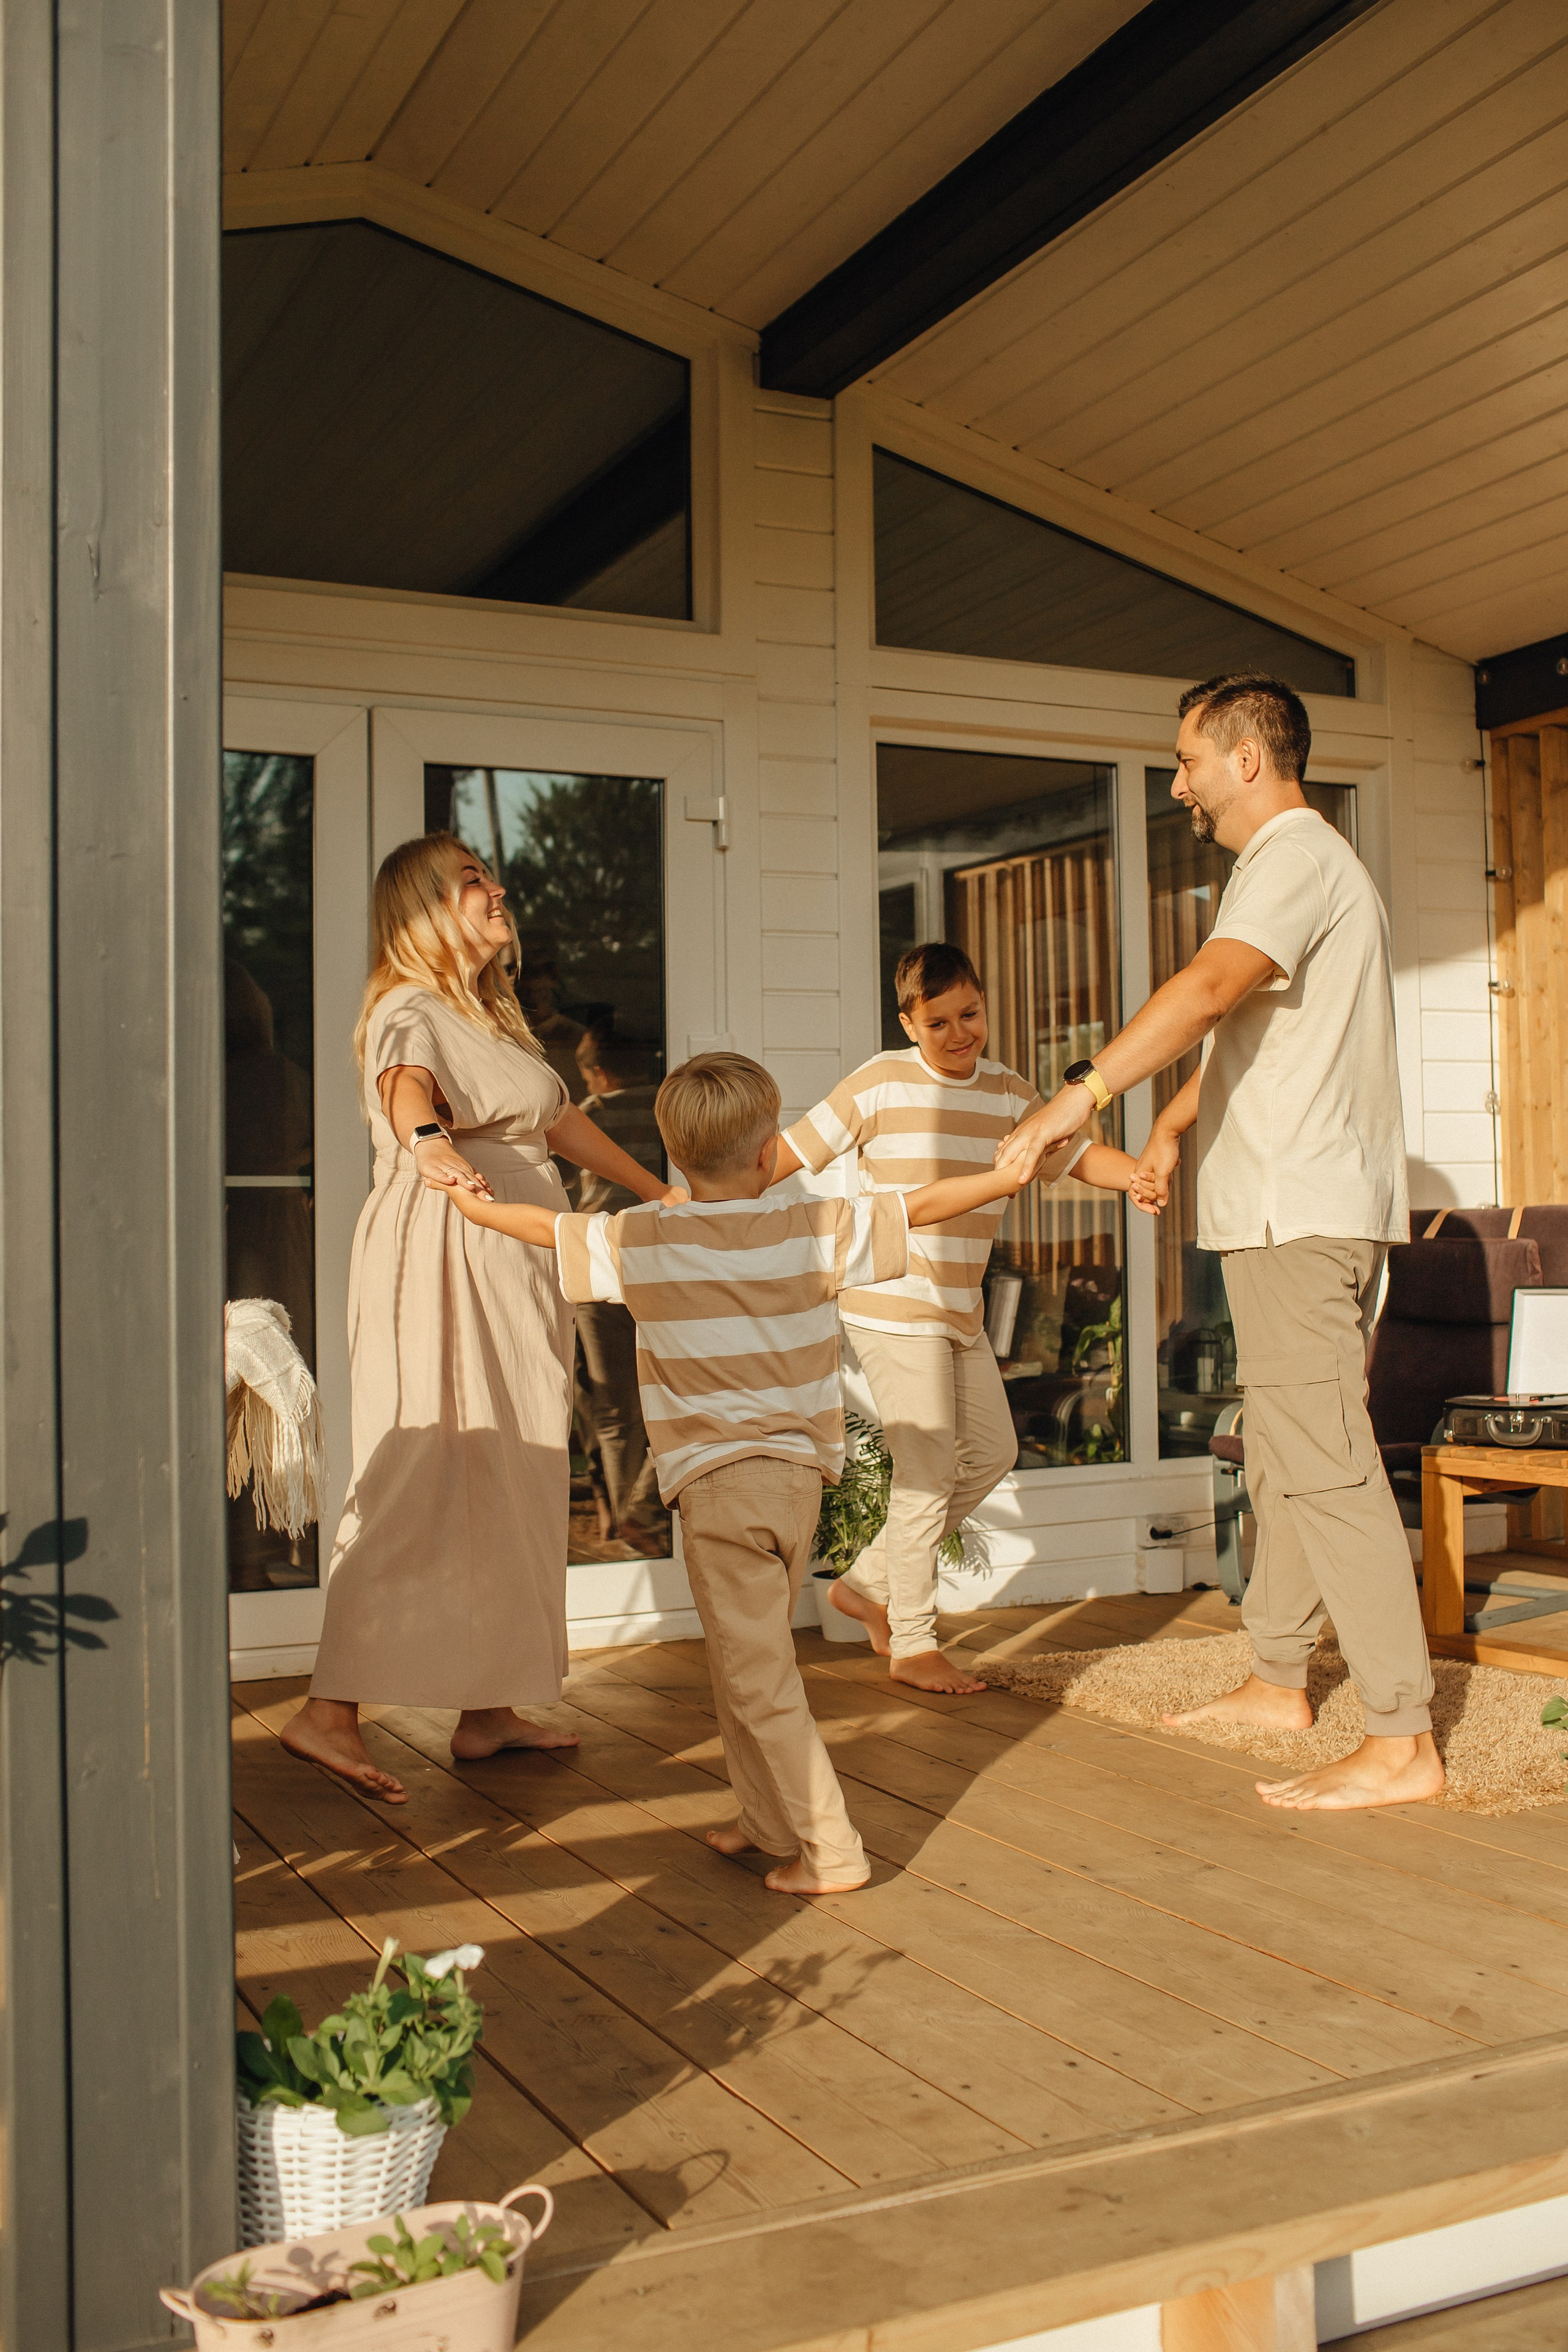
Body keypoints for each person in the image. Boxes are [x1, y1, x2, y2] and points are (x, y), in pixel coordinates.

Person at [427, 1050, 1056, 1894]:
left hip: (720, 1491)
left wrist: (468, 1196)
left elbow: (543, 1230)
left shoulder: (645, 1238)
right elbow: (928, 1205)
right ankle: (765, 1823)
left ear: (674, 1159)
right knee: (742, 1664)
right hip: (797, 1484)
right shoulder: (814, 1229)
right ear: (769, 1154)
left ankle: (832, 1852)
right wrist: (1005, 1171)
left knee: (758, 1677)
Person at [1000, 672, 1441, 1814]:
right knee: (1292, 1452)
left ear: (1248, 758)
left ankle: (1401, 1736)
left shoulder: (1293, 857)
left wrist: (1079, 1094)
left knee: (1330, 1465)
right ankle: (1279, 1675)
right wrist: (1169, 1123)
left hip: (1300, 1220)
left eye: (1189, 760)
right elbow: (1251, 1034)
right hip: (1281, 1216)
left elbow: (1207, 990)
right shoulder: (1284, 871)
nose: (1180, 784)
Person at [281, 834, 677, 1804]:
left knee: (516, 1463)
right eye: (471, 883)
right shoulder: (409, 1009)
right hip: (444, 1245)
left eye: (493, 878)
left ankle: (490, 1709)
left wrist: (654, 1191)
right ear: (421, 910)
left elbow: (555, 1123)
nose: (496, 892)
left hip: (513, 1256)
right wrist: (425, 1144)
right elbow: (404, 1089)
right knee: (429, 1465)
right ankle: (328, 1710)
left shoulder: (489, 1018)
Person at [767, 942, 1142, 1695]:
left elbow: (1071, 1158)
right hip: (888, 1300)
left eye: (970, 1014)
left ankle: (867, 1584)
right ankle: (913, 1643)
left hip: (958, 1310)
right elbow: (785, 1155)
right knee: (931, 1465)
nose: (959, 1033)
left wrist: (1136, 1176)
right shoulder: (878, 1083)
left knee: (992, 1452)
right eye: (938, 1022)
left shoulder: (1008, 1092)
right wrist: (699, 1197)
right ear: (908, 1023)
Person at [571, 1024, 668, 1555]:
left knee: (614, 1407)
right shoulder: (668, 1110)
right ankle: (645, 1516)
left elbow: (557, 1181)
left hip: (600, 1266)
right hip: (665, 1263)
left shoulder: (593, 1115)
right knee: (674, 1391)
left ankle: (630, 1526)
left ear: (599, 1073)